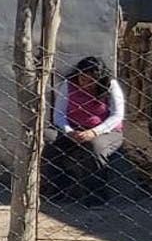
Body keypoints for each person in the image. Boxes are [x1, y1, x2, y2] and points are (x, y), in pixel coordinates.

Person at [45, 56, 126, 205]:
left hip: (106, 131)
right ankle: (56, 189)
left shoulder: (110, 85)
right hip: (73, 129)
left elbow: (117, 115)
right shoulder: (68, 85)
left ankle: (95, 196)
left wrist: (95, 132)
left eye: (91, 81)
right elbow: (59, 114)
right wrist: (69, 131)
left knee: (96, 146)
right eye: (83, 79)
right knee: (48, 138)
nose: (86, 84)